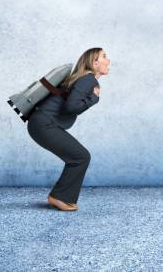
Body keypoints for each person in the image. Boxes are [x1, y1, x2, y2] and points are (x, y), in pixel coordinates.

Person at [27, 47, 110, 211]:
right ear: (95, 63)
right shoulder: (89, 80)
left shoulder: (84, 78)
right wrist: (93, 99)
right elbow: (71, 106)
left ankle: (60, 196)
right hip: (44, 124)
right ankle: (59, 197)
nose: (108, 60)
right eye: (104, 56)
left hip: (40, 123)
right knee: (81, 157)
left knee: (79, 156)